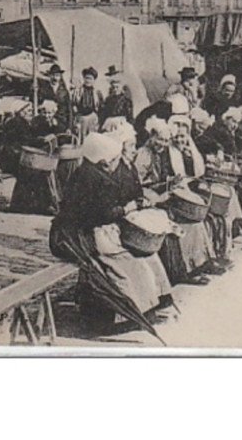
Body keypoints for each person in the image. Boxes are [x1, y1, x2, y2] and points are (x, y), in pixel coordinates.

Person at [49, 132, 174, 334]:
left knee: (138, 259)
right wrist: (127, 209)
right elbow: (100, 215)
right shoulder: (94, 179)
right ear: (104, 161)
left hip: (82, 231)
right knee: (128, 264)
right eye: (115, 160)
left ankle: (142, 307)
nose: (118, 163)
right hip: (75, 237)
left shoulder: (89, 172)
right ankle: (125, 313)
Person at [134, 117, 186, 190]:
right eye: (160, 139)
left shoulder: (162, 152)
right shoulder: (144, 154)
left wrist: (171, 180)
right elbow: (138, 182)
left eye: (166, 141)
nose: (163, 144)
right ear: (152, 136)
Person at [38, 64, 72, 132]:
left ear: (60, 77)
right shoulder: (44, 89)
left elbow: (69, 110)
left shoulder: (64, 92)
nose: (55, 78)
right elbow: (39, 104)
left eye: (57, 75)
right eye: (53, 75)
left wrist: (69, 127)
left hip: (61, 121)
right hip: (47, 121)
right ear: (49, 76)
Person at [71, 67, 104, 139]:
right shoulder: (78, 91)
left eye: (90, 78)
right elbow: (73, 104)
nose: (88, 81)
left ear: (94, 80)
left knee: (92, 138)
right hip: (81, 118)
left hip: (92, 117)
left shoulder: (97, 92)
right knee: (80, 137)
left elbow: (101, 107)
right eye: (86, 78)